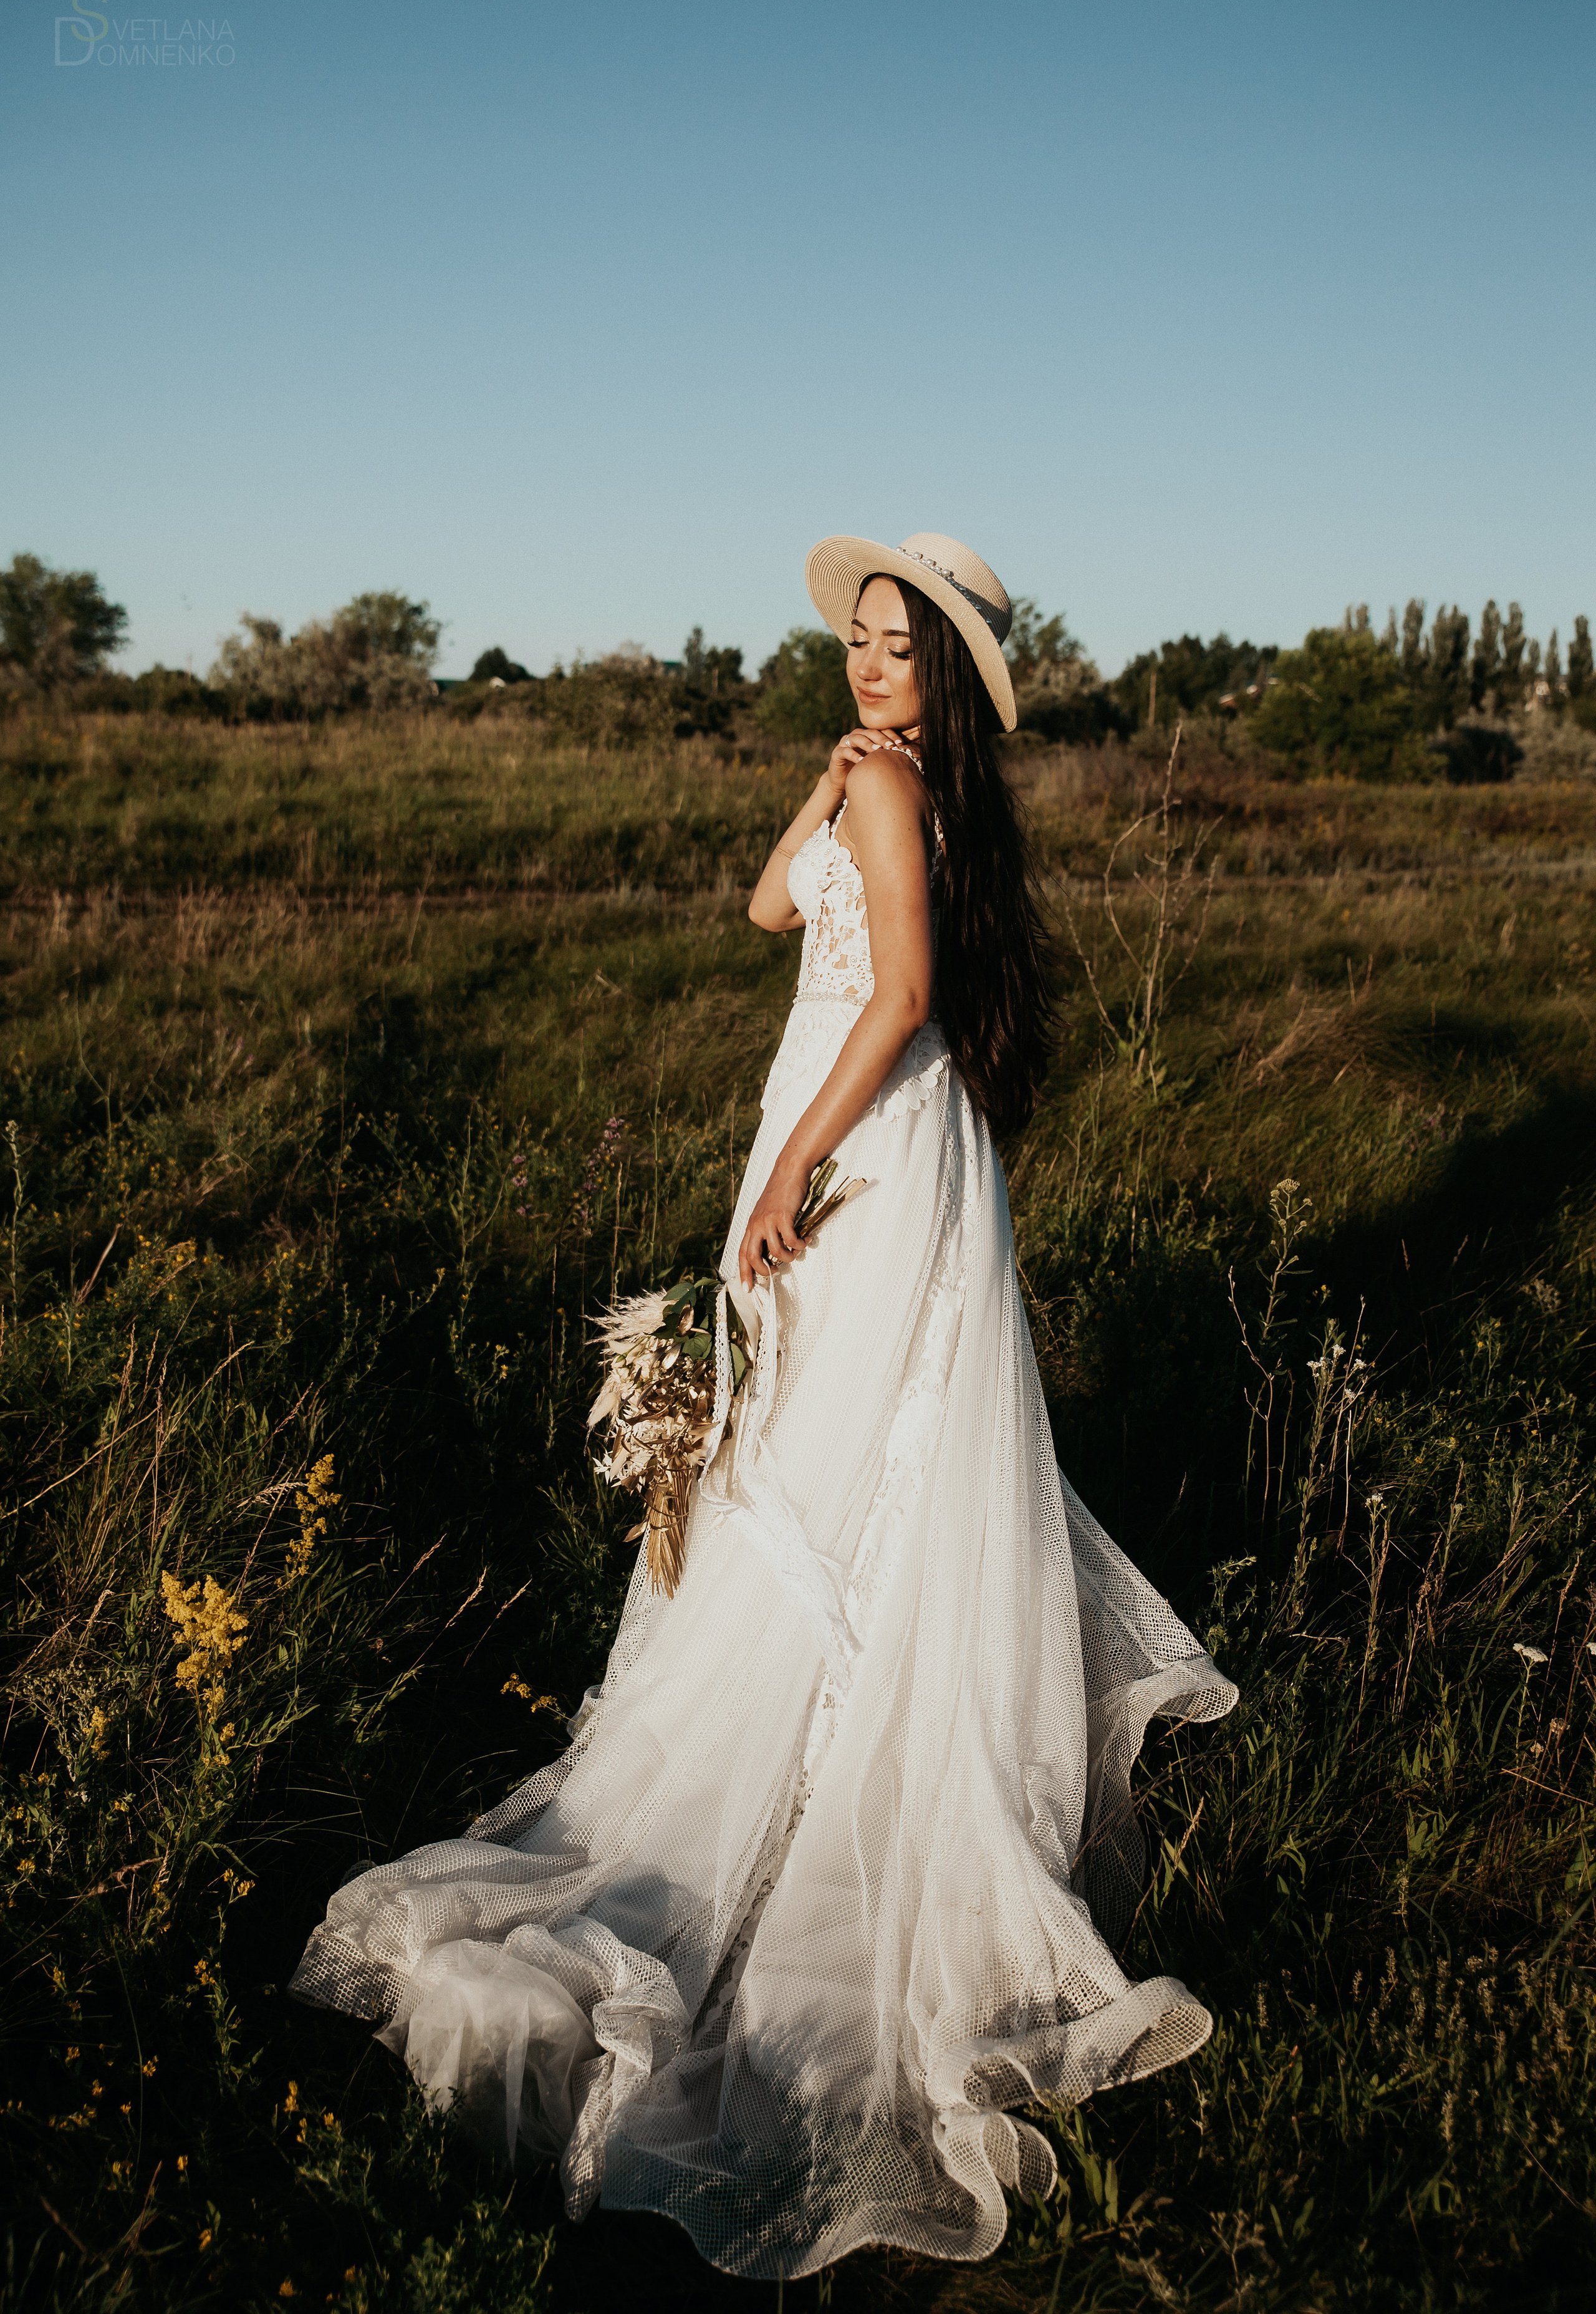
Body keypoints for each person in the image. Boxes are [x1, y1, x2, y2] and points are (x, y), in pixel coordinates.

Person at [291, 531, 1236, 2280]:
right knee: (837, 1451)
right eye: (861, 645)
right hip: (888, 1130)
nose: (866, 670)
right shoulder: (889, 779)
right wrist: (826, 771)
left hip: (863, 1139)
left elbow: (897, 995)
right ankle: (816, 1739)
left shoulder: (896, 782)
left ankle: (815, 1775)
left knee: (827, 1455)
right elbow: (762, 909)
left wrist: (793, 1159)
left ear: (942, 675)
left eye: (896, 651)